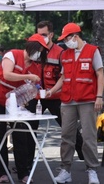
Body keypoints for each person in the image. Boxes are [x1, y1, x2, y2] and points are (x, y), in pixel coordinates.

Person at [0, 33, 48, 183]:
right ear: (31, 47)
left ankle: (23, 173)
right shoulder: (12, 55)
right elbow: (7, 75)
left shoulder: (35, 67)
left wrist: (29, 92)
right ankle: (3, 173)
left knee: (21, 136)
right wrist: (27, 77)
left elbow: (31, 87)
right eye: (38, 49)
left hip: (15, 103)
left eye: (41, 51)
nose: (39, 53)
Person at [48, 23, 104, 184]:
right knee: (66, 136)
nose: (65, 42)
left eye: (66, 38)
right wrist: (53, 90)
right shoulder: (65, 54)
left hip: (87, 99)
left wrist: (99, 97)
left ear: (75, 36)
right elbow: (63, 77)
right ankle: (65, 170)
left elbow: (100, 74)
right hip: (67, 99)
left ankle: (92, 169)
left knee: (88, 136)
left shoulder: (93, 51)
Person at [36, 21, 84, 160]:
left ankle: (85, 157)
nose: (41, 37)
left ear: (51, 34)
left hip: (56, 96)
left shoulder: (60, 53)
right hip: (38, 96)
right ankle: (25, 165)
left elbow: (65, 75)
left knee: (70, 129)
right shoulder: (36, 50)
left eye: (44, 34)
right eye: (39, 35)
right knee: (29, 129)